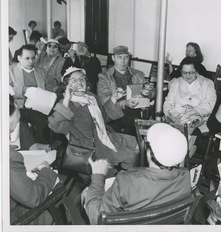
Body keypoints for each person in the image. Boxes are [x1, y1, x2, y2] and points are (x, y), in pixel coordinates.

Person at [83, 123, 191, 225]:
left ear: (148, 153)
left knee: (86, 193)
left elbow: (97, 219)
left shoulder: (126, 181)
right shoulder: (186, 177)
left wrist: (98, 176)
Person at [48, 67, 139, 177]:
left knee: (138, 145)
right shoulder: (67, 104)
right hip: (92, 151)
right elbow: (55, 126)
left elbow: (103, 117)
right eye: (74, 80)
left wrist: (114, 98)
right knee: (133, 157)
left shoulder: (91, 97)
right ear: (67, 85)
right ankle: (119, 181)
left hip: (105, 137)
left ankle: (121, 177)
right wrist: (67, 98)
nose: (79, 83)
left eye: (82, 79)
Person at [10, 96, 58, 224]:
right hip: (11, 218)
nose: (19, 108)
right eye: (15, 105)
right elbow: (34, 197)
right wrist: (46, 171)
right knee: (56, 191)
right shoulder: (9, 157)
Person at [97, 45, 155, 135]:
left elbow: (152, 94)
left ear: (129, 58)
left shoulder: (138, 74)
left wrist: (147, 92)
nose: (123, 61)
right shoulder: (104, 77)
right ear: (113, 58)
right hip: (115, 117)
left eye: (126, 58)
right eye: (119, 58)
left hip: (136, 114)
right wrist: (126, 103)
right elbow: (105, 102)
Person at [164, 57, 216, 130]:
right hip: (177, 121)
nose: (187, 76)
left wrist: (194, 111)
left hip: (199, 123)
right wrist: (171, 117)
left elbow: (210, 105)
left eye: (191, 73)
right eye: (184, 73)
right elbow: (168, 104)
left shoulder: (207, 83)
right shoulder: (175, 83)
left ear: (197, 71)